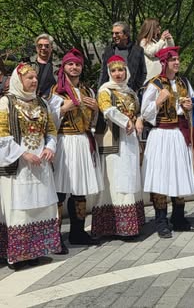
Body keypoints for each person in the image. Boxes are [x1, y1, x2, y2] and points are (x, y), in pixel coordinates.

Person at [0, 63, 62, 269]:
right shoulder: (6, 102)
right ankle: (17, 256)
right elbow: (2, 133)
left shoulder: (42, 103)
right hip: (18, 165)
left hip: (40, 163)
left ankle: (36, 251)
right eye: (30, 78)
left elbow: (51, 130)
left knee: (40, 207)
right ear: (19, 81)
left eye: (36, 77)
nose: (35, 81)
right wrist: (23, 154)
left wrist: (50, 147)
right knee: (19, 209)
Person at [141, 47, 194, 238]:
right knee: (161, 176)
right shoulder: (154, 84)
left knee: (179, 173)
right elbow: (145, 113)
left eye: (177, 59)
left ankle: (179, 216)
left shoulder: (184, 82)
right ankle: (161, 221)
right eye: (172, 59)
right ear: (164, 63)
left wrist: (189, 107)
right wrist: (158, 102)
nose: (177, 62)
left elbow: (192, 104)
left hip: (178, 134)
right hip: (161, 134)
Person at [50, 48, 103, 247]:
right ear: (64, 67)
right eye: (70, 64)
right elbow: (49, 119)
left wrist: (96, 109)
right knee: (59, 190)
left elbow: (93, 121)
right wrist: (64, 108)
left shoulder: (88, 90)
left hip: (82, 140)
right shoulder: (57, 90)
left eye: (77, 64)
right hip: (65, 140)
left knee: (79, 189)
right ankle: (55, 236)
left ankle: (78, 232)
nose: (74, 67)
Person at [92, 56, 145, 238]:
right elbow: (107, 110)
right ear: (109, 73)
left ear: (126, 71)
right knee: (115, 180)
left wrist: (139, 119)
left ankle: (131, 225)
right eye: (113, 71)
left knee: (130, 178)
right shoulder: (105, 90)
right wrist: (126, 122)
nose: (117, 74)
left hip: (130, 140)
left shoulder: (130, 92)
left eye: (121, 70)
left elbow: (138, 111)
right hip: (113, 141)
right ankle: (113, 226)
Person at [99, 21, 147, 92]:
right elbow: (103, 73)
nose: (114, 36)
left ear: (126, 35)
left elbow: (143, 72)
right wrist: (100, 89)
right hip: (111, 91)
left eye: (117, 33)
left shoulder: (137, 50)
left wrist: (135, 88)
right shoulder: (108, 50)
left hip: (130, 91)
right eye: (113, 33)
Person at [31, 33, 57, 98]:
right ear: (36, 48)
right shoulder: (28, 64)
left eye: (47, 46)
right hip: (29, 100)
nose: (43, 48)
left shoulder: (58, 67)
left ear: (51, 48)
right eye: (40, 45)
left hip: (50, 101)